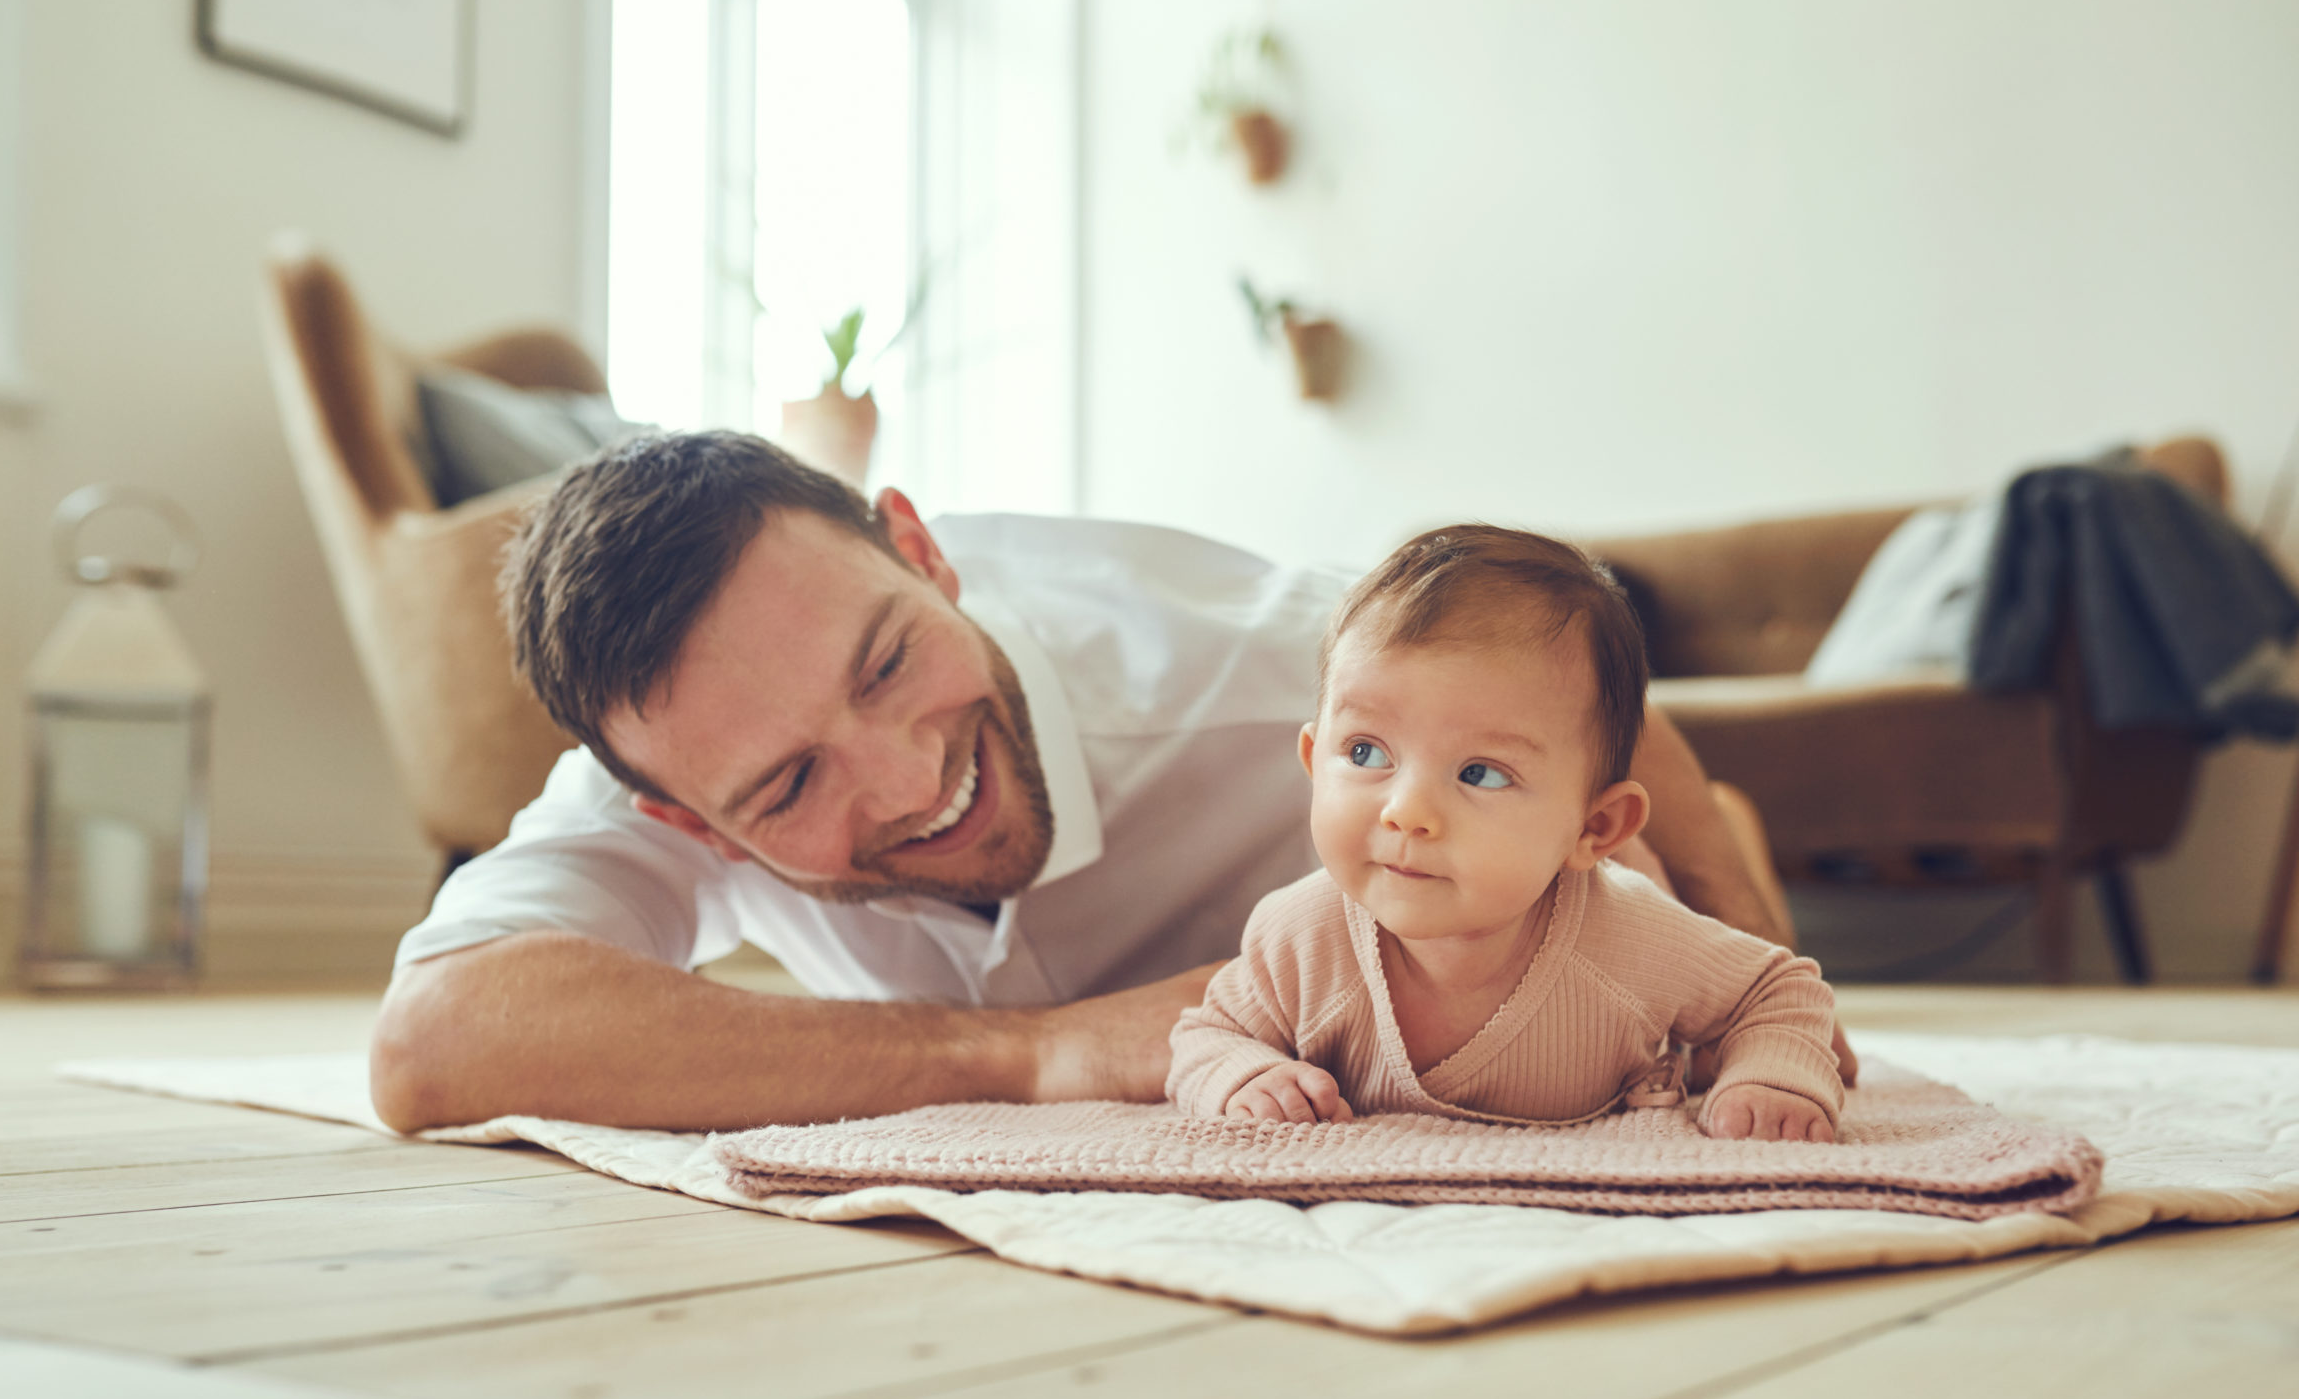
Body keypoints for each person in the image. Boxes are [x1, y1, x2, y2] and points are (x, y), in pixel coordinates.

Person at [370, 432, 1812, 1134]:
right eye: (794, 781)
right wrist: (1018, 1052)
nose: (912, 773)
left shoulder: (1248, 660)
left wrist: (1753, 931)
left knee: (1628, 906)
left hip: (1504, 899)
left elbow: (1581, 701)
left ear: (923, 551)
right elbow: (433, 1039)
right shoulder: (668, 760)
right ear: (686, 818)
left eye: (887, 661)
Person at [1168, 525, 1844, 1141]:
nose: (1407, 811)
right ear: (1315, 762)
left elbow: (1778, 990)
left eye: (1480, 773)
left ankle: (1721, 824)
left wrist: (1771, 1076)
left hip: (1623, 894)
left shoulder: (1636, 938)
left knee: (1685, 932)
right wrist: (1242, 1074)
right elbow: (1208, 1034)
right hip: (1576, 860)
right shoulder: (1299, 936)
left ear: (1595, 825)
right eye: (1368, 752)